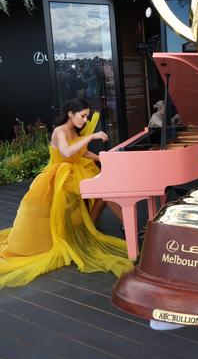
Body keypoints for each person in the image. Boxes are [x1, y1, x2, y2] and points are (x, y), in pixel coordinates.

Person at [0, 98, 133, 288]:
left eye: (87, 116)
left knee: (105, 190)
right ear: (70, 114)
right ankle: (120, 228)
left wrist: (103, 158)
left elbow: (82, 153)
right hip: (60, 174)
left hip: (76, 169)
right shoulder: (59, 131)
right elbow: (67, 152)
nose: (85, 120)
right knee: (103, 190)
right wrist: (91, 136)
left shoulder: (76, 130)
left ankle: (97, 226)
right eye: (83, 116)